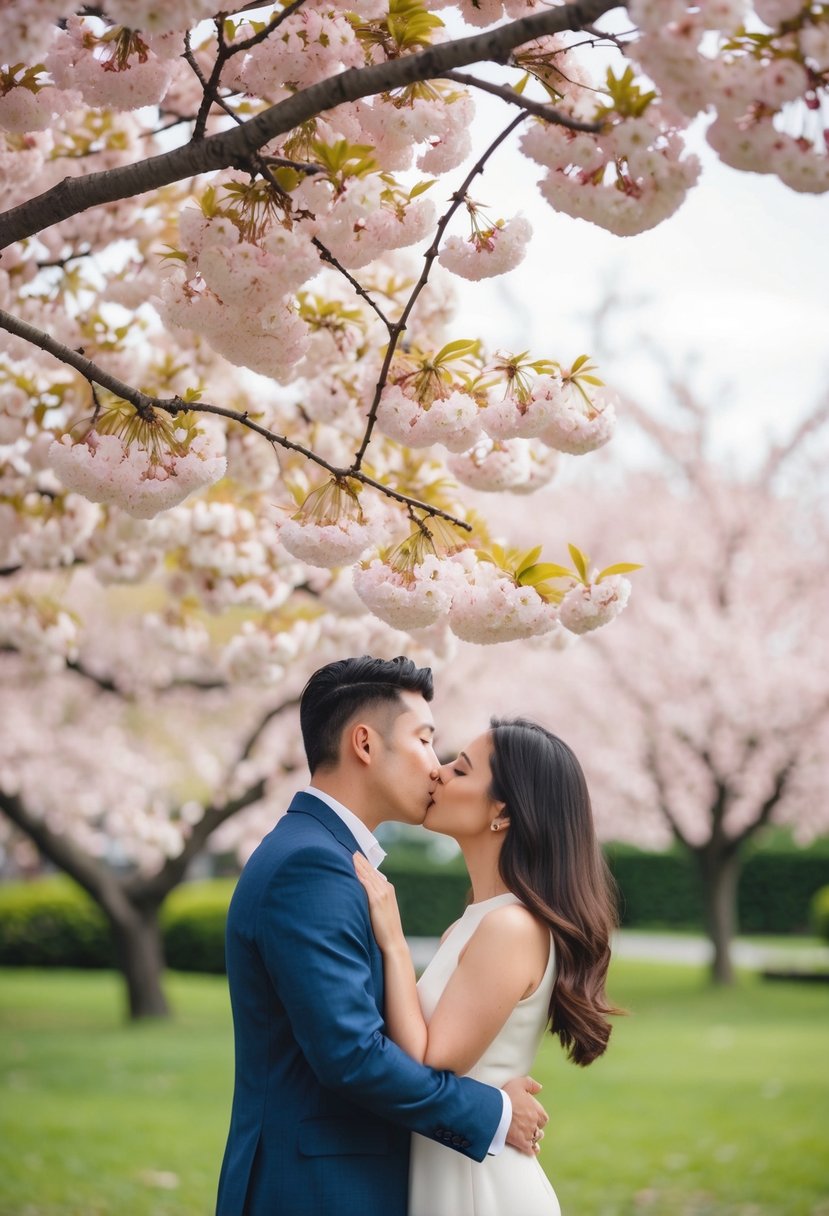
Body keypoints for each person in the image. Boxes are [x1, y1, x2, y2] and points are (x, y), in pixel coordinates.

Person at [216, 656, 548, 1216]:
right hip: (316, 1191)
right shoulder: (312, 866)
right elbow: (352, 1055)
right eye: (424, 740)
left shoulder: (322, 856)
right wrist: (491, 1112)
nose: (436, 766)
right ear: (364, 745)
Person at [354, 716, 621, 1216]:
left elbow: (432, 1060)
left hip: (482, 1189)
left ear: (501, 811)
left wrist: (393, 942)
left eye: (461, 769)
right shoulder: (474, 923)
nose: (439, 773)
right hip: (450, 1166)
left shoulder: (510, 927)